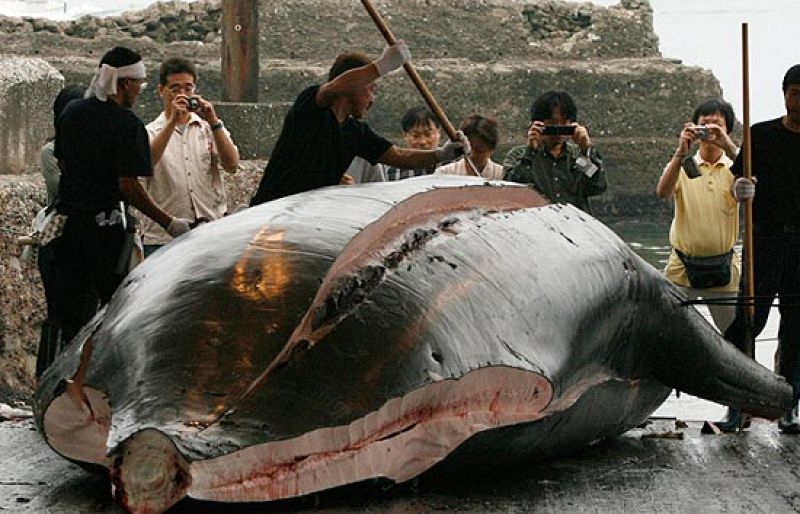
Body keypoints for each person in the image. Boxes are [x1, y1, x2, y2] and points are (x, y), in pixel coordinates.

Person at [39, 46, 192, 374]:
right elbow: (128, 186)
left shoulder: (72, 114)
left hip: (66, 231)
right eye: (139, 84)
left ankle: (54, 386)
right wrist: (168, 222)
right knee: (111, 316)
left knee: (65, 317)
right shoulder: (127, 125)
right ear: (124, 84)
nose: (140, 90)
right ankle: (99, 385)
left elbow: (64, 162)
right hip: (105, 233)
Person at [250, 43, 468, 206]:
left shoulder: (356, 132)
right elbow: (332, 89)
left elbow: (399, 156)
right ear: (354, 85)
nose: (372, 98)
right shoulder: (311, 108)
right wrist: (382, 65)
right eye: (371, 88)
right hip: (273, 209)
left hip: (309, 214)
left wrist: (441, 155)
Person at [719, 64, 800, 433]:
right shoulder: (761, 134)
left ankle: (790, 404)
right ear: (784, 94)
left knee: (797, 327)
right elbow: (739, 175)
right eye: (795, 92)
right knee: (749, 318)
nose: (799, 99)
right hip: (765, 238)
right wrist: (742, 188)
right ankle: (740, 403)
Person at [655, 99, 742, 334]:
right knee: (668, 333)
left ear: (728, 129)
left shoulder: (736, 167)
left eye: (717, 125)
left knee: (736, 338)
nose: (710, 130)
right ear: (693, 128)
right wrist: (680, 152)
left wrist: (729, 145)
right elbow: (662, 192)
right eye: (704, 124)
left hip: (725, 269)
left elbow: (756, 182)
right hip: (681, 268)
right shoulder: (683, 165)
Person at [141, 57, 240, 257]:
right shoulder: (149, 132)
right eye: (175, 89)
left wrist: (213, 120)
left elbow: (232, 165)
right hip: (163, 237)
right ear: (161, 91)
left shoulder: (208, 128)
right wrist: (172, 122)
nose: (183, 95)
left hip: (210, 230)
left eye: (188, 88)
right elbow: (146, 163)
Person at [34, 85, 89, 378]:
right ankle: (50, 379)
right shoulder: (51, 152)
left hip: (91, 241)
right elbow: (67, 189)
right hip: (59, 242)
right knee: (60, 313)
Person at [503, 91, 605, 213]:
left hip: (574, 226)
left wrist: (587, 149)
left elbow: (597, 186)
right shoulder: (519, 155)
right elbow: (511, 189)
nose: (558, 129)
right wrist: (531, 152)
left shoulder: (577, 158)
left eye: (564, 123)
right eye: (552, 123)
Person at [434, 114, 503, 179]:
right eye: (468, 148)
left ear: (491, 150)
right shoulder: (444, 174)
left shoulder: (502, 175)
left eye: (479, 151)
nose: (472, 154)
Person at [385, 106, 443, 181]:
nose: (423, 142)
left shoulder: (454, 165)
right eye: (415, 136)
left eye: (428, 134)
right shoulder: (393, 170)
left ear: (439, 133)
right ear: (405, 136)